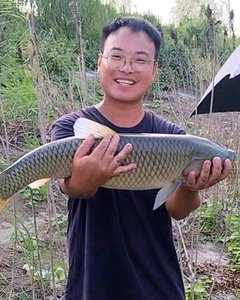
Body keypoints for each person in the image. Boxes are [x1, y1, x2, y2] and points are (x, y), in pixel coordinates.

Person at [50, 17, 232, 300]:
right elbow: (74, 188)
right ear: (100, 62)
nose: (127, 68)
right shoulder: (71, 127)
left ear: (154, 70)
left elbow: (178, 210)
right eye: (117, 56)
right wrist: (82, 178)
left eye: (140, 60)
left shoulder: (173, 136)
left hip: (158, 283)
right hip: (92, 282)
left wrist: (190, 186)